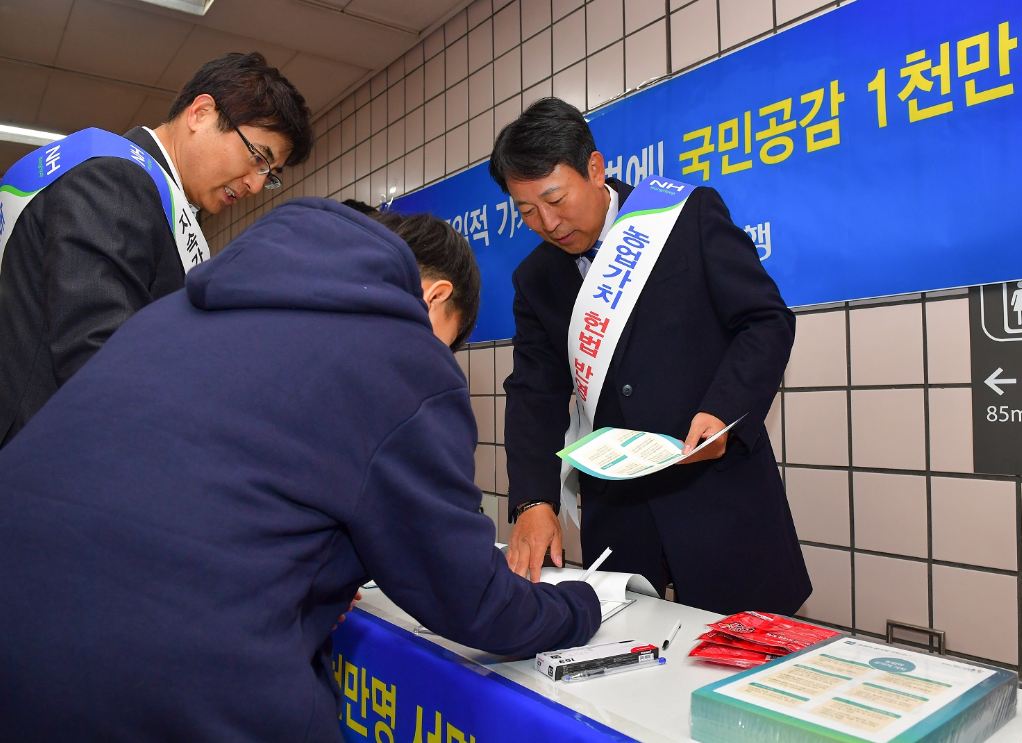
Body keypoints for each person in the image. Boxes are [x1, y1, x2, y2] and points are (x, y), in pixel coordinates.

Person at [0, 198, 600, 742]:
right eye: (447, 344)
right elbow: (468, 599)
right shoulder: (401, 352)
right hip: (169, 673)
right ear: (436, 297)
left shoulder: (178, 315)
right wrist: (582, 606)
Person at [489, 97, 811, 615]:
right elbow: (534, 392)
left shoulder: (686, 217)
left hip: (717, 489)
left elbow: (766, 321)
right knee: (624, 665)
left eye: (555, 199)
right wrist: (533, 500)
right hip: (620, 509)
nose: (547, 223)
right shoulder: (536, 278)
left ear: (595, 168)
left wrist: (724, 412)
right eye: (526, 210)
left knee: (747, 661)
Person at [0, 51, 313, 446]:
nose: (254, 184)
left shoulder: (149, 194)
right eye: (256, 158)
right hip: (43, 454)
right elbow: (96, 351)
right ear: (200, 113)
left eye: (268, 175)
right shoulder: (116, 179)